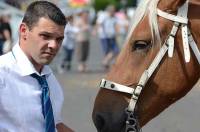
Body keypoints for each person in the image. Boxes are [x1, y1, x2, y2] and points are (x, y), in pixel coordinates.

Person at [0, 1, 73, 132]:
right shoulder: (2, 74)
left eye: (59, 39)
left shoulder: (48, 78)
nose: (54, 45)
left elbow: (54, 124)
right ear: (23, 31)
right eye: (45, 36)